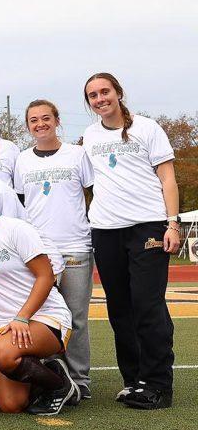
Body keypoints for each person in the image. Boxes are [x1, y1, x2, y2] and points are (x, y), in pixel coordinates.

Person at [82, 72, 180, 409]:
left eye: (104, 92)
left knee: (147, 304)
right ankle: (134, 380)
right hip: (106, 229)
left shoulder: (148, 128)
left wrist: (173, 224)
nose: (100, 99)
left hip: (148, 226)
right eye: (93, 95)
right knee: (119, 306)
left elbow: (167, 179)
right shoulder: (89, 136)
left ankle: (158, 385)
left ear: (118, 93)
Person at [0, 179, 78, 415]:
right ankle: (47, 370)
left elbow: (45, 276)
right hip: (8, 327)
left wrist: (22, 317)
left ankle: (60, 386)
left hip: (45, 317)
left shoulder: (14, 229)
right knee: (11, 405)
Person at [13, 100, 95, 399]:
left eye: (46, 118)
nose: (40, 124)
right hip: (38, 252)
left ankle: (79, 380)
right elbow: (23, 202)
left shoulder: (77, 154)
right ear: (28, 126)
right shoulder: (22, 160)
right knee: (44, 317)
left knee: (75, 317)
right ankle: (50, 378)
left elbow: (93, 191)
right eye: (33, 120)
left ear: (57, 121)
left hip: (75, 246)